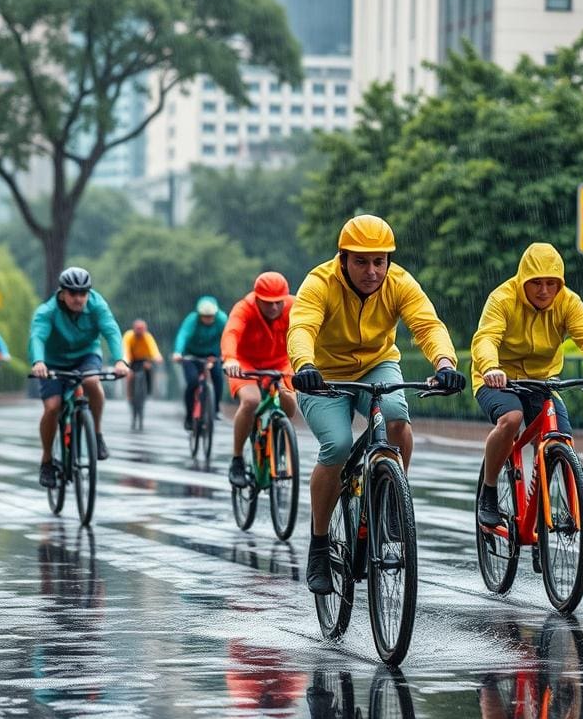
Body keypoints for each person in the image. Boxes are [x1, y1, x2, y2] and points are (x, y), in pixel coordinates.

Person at [287, 214, 465, 594]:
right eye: (361, 262)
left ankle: (391, 496)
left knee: (398, 417)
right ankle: (319, 544)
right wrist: (304, 364)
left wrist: (445, 363)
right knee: (336, 446)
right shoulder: (319, 282)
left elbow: (427, 325)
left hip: (376, 365)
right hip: (322, 374)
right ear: (343, 259)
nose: (372, 271)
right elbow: (301, 327)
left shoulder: (400, 282)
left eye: (379, 262)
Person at [470, 243, 583, 527]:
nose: (544, 291)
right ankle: (489, 490)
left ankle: (546, 519)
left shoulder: (568, 301)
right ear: (523, 281)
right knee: (511, 418)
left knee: (559, 436)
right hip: (496, 377)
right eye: (536, 283)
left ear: (560, 284)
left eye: (551, 283)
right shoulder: (502, 298)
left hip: (541, 380)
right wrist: (490, 367)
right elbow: (486, 338)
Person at [29, 267, 129, 487]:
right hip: (52, 362)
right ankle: (47, 460)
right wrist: (38, 362)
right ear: (62, 293)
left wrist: (120, 360)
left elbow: (111, 330)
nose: (78, 298)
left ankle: (97, 433)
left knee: (92, 381)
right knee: (53, 407)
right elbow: (37, 337)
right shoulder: (47, 311)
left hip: (86, 355)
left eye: (83, 293)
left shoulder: (97, 305)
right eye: (73, 293)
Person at [222, 271, 297, 487]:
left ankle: (280, 437)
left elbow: (310, 330)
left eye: (278, 303)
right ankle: (237, 459)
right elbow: (231, 333)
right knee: (251, 401)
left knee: (289, 402)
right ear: (257, 298)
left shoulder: (295, 306)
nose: (274, 308)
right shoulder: (244, 308)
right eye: (267, 303)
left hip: (281, 362)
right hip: (245, 364)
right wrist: (230, 359)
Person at [172, 295, 228, 430]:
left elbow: (229, 336)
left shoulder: (222, 320)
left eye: (210, 316)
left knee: (218, 377)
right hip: (191, 356)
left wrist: (227, 355)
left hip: (212, 355)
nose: (208, 319)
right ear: (199, 314)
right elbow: (183, 335)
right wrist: (178, 352)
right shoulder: (192, 320)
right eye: (204, 316)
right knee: (193, 382)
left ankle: (215, 409)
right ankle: (189, 416)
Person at [122, 318, 163, 402]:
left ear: (145, 329)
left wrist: (157, 356)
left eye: (142, 329)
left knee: (148, 368)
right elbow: (125, 349)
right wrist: (126, 361)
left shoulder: (147, 337)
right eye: (138, 328)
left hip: (143, 359)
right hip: (131, 359)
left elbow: (153, 349)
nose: (140, 331)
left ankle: (148, 391)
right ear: (134, 328)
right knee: (130, 375)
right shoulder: (128, 336)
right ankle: (129, 396)